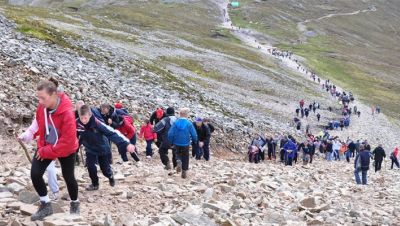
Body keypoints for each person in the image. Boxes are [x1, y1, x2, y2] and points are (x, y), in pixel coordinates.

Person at [27, 78, 79, 221]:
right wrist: (31, 134)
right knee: (35, 173)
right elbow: (40, 124)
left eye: (42, 98)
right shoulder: (42, 107)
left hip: (66, 149)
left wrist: (45, 151)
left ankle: (75, 203)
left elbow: (66, 143)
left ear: (54, 95)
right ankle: (46, 205)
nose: (40, 101)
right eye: (38, 98)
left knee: (68, 176)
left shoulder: (67, 113)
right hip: (47, 145)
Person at [77, 105, 135, 191]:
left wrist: (126, 144)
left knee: (104, 169)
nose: (83, 120)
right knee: (91, 167)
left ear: (90, 115)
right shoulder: (77, 124)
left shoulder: (98, 124)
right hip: (90, 149)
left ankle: (110, 175)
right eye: (81, 118)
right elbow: (72, 136)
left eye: (85, 118)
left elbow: (112, 133)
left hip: (102, 148)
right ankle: (95, 184)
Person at [18, 118, 59, 201]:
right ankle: (44, 197)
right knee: (36, 173)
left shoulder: (56, 116)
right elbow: (32, 130)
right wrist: (24, 136)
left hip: (53, 147)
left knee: (51, 169)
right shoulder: (40, 115)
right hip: (42, 147)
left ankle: (55, 191)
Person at [167, 108, 198, 178]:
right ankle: (184, 171)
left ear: (180, 114)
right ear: (186, 115)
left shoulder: (176, 122)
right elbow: (194, 134)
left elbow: (170, 133)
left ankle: (178, 161)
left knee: (177, 154)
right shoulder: (189, 123)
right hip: (185, 143)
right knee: (185, 156)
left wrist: (171, 142)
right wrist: (195, 141)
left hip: (176, 142)